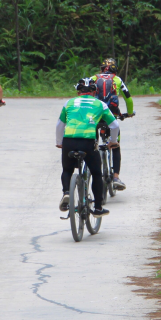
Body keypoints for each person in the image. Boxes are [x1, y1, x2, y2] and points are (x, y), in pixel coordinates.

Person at [56, 78, 119, 217]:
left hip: (69, 141)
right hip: (88, 142)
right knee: (96, 173)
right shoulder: (100, 104)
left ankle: (66, 193)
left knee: (67, 170)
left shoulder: (69, 103)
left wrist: (59, 142)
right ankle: (97, 208)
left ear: (78, 92)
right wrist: (113, 141)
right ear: (94, 92)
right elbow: (115, 126)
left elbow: (59, 125)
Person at [93, 58, 133, 191]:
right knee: (115, 145)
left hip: (95, 118)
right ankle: (116, 177)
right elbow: (128, 98)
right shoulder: (118, 80)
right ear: (115, 69)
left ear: (101, 69)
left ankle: (91, 174)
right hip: (111, 117)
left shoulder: (93, 78)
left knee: (93, 145)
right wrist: (130, 113)